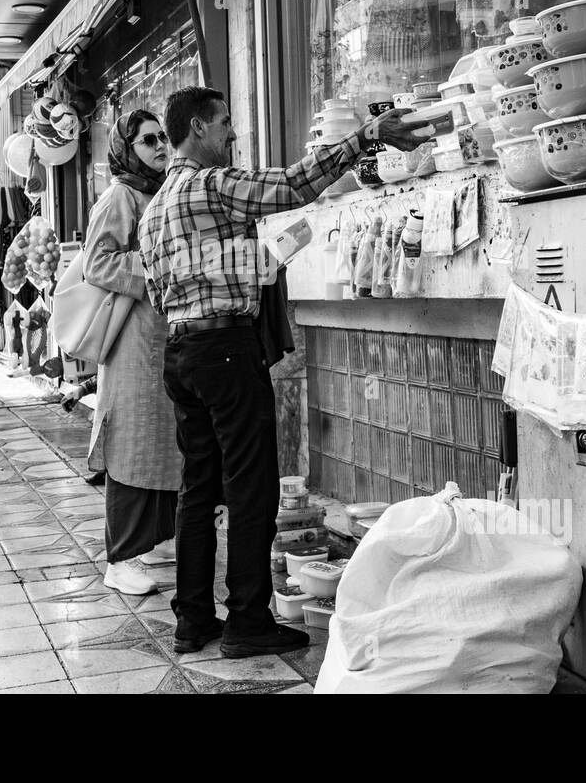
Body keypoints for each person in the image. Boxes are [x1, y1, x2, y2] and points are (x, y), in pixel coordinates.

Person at [139, 85, 429, 657]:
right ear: (197, 128)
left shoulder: (153, 213)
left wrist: (257, 267)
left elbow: (162, 291)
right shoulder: (211, 186)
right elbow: (292, 184)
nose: (231, 134)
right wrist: (365, 136)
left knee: (198, 489)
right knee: (250, 488)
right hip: (225, 350)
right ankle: (248, 621)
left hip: (183, 352)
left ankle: (193, 620)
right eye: (223, 123)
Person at [84, 110, 181, 596]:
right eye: (148, 140)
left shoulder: (157, 190)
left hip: (159, 334)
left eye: (162, 137)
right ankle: (120, 556)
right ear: (127, 148)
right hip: (132, 339)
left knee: (161, 439)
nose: (160, 145)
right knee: (131, 442)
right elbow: (96, 261)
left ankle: (153, 541)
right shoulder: (121, 194)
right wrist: (156, 263)